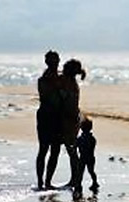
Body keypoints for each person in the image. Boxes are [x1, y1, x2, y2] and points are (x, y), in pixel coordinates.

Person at [36, 50, 62, 190]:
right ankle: (41, 182)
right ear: (47, 62)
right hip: (46, 116)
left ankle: (47, 181)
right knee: (44, 149)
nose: (55, 63)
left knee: (55, 150)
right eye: (52, 61)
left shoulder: (60, 78)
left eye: (56, 61)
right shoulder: (43, 80)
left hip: (57, 117)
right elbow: (46, 97)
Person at [59, 59, 86, 192]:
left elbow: (64, 99)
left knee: (72, 151)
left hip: (69, 119)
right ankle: (75, 178)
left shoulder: (69, 84)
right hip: (74, 118)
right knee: (72, 150)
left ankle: (75, 179)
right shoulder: (72, 83)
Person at [76, 117, 99, 196]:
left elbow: (76, 145)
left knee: (81, 172)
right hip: (90, 157)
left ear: (81, 128)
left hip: (83, 158)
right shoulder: (92, 138)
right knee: (91, 171)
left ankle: (78, 184)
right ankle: (94, 183)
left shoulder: (80, 139)